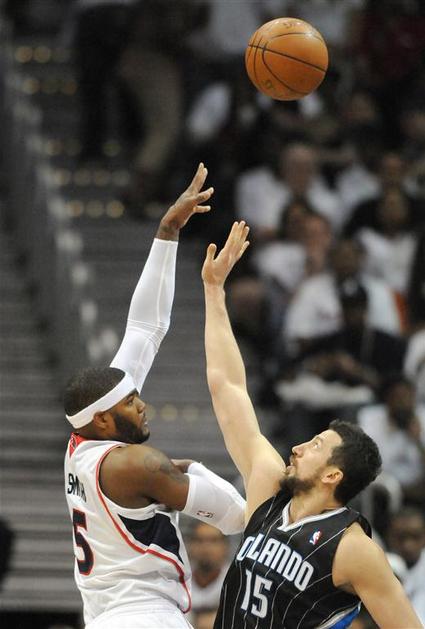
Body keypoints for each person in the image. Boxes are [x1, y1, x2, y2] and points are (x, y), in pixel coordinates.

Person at [201, 220, 422, 627]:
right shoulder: (269, 491)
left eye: (316, 445)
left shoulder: (353, 548)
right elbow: (228, 388)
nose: (298, 448)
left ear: (333, 474)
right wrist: (214, 293)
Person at [63, 164, 246, 629]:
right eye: (130, 402)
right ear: (103, 420)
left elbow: (145, 328)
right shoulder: (136, 464)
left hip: (105, 616)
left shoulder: (82, 444)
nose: (141, 402)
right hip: (145, 616)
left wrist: (167, 232)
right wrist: (194, 468)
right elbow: (235, 516)